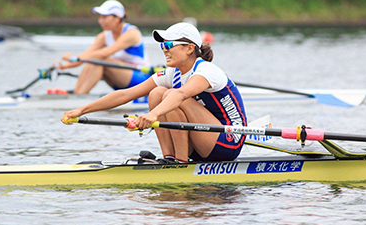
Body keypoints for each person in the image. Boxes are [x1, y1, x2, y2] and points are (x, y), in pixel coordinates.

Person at [61, 22, 247, 163]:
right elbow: (125, 94)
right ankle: (170, 158)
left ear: (190, 48)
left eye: (169, 45)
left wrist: (152, 115)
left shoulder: (206, 71)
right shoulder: (172, 74)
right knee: (156, 93)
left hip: (228, 140)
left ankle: (180, 163)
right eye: (162, 46)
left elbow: (180, 96)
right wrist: (81, 110)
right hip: (202, 138)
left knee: (170, 95)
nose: (164, 50)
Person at [53, 0, 151, 94]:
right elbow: (85, 56)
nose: (100, 21)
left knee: (100, 59)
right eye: (100, 17)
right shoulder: (104, 36)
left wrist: (76, 58)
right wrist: (63, 66)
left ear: (117, 18)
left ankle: (78, 95)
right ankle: (77, 93)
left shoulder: (131, 33)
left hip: (141, 79)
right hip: (120, 79)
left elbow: (104, 53)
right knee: (93, 61)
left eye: (104, 17)